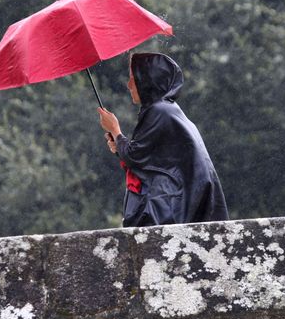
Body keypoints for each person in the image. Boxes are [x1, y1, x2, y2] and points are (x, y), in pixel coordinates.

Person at [97, 52, 228, 227]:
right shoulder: (168, 110)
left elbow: (135, 156)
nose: (129, 85)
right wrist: (118, 144)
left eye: (132, 78)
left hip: (175, 203)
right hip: (184, 197)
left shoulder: (159, 111)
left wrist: (115, 129)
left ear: (146, 80)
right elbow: (150, 157)